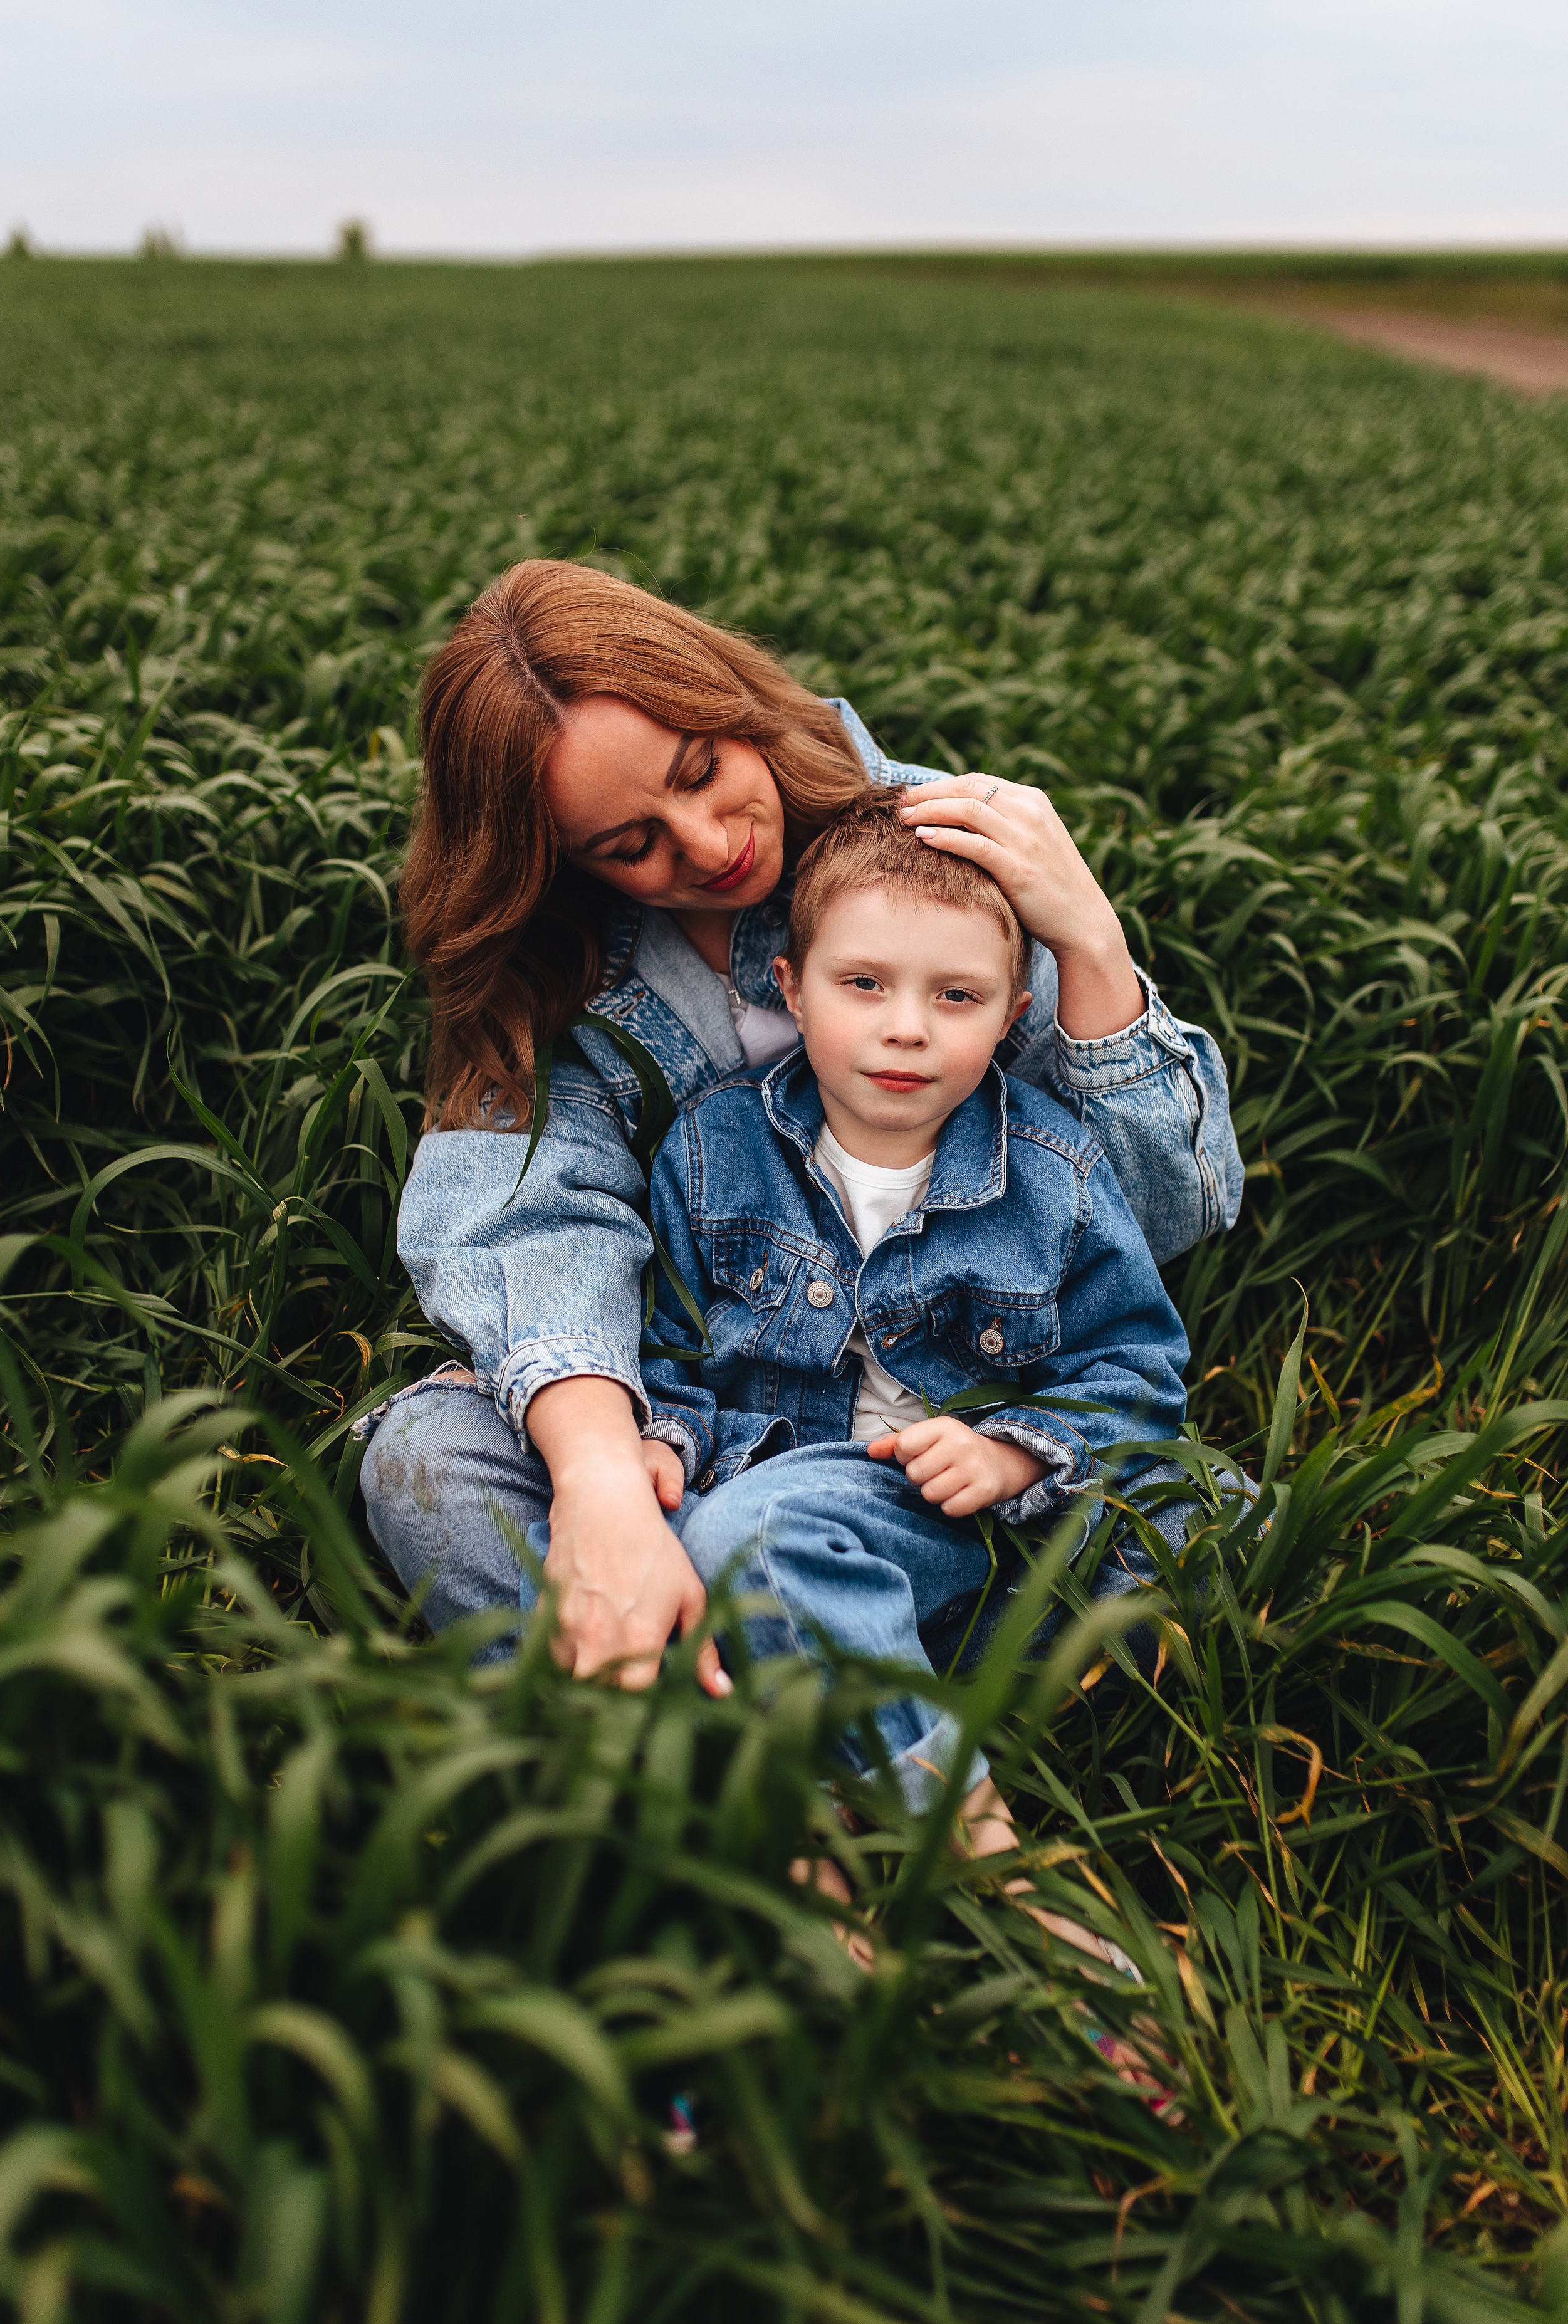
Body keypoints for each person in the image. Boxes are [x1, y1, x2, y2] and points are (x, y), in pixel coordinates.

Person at [358, 560, 1243, 1690]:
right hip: (718, 1434)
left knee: (1166, 1521)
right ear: (563, 867)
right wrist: (602, 1484)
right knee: (424, 1458)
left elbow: (1168, 1220)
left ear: (728, 699)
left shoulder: (933, 845)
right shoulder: (568, 964)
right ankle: (777, 1687)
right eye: (632, 845)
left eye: (702, 769)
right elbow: (529, 1220)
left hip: (966, 1450)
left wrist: (1090, 944)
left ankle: (716, 1711)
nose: (708, 840)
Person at [619, 796, 1190, 1833]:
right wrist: (661, 1439)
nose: (907, 1027)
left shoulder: (1053, 1172)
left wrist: (1021, 1452)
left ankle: (858, 1710)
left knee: (1209, 1518)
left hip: (988, 1522)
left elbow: (1139, 1370)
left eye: (958, 996)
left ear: (1013, 1016)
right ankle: (966, 1836)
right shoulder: (711, 1156)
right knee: (741, 1537)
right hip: (797, 1508)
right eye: (865, 984)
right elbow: (672, 1355)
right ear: (791, 989)